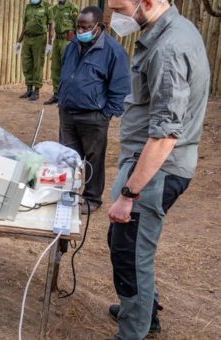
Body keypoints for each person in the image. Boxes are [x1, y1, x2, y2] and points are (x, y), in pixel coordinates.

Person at [105, 1, 210, 339]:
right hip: (147, 162)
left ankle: (136, 327)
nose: (114, 17)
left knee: (131, 251)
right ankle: (142, 307)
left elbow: (165, 136)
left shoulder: (168, 48)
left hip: (155, 168)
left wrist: (129, 193)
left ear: (147, 3)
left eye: (119, 8)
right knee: (125, 241)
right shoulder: (168, 31)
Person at [57, 6, 131, 214]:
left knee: (93, 159)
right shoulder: (72, 46)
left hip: (94, 116)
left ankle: (92, 197)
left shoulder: (113, 51)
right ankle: (68, 194)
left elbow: (121, 88)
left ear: (99, 27)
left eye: (86, 27)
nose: (80, 31)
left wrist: (105, 113)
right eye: (78, 27)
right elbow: (65, 71)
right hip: (68, 112)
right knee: (68, 157)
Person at [15, 0, 52, 101]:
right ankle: (29, 89)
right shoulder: (28, 7)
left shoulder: (46, 7)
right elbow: (24, 25)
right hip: (27, 38)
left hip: (39, 38)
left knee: (37, 64)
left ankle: (36, 91)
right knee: (26, 63)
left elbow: (50, 25)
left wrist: (49, 42)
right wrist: (19, 41)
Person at [44, 0, 79, 105]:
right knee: (55, 68)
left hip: (68, 41)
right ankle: (56, 94)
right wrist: (50, 42)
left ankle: (67, 95)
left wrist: (77, 44)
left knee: (67, 68)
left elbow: (78, 26)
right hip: (57, 41)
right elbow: (52, 25)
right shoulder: (54, 9)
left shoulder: (73, 8)